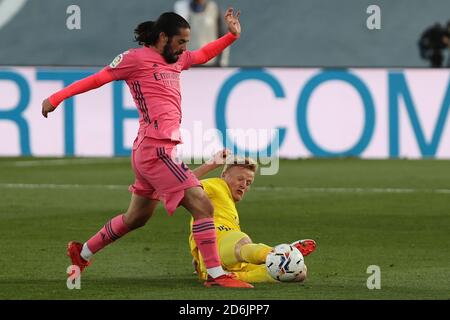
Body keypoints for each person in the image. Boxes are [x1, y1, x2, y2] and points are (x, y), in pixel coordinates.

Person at [41, 8, 253, 288]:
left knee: (136, 218)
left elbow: (202, 55)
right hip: (155, 152)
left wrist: (231, 36)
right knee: (203, 204)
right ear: (163, 37)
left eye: (186, 43)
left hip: (153, 151)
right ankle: (216, 274)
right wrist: (56, 97)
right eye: (180, 42)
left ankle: (82, 253)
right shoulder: (135, 59)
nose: (184, 49)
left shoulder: (176, 59)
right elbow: (97, 79)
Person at [189, 150, 317, 283]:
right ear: (224, 175)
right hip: (219, 240)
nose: (244, 185)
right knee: (242, 241)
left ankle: (233, 276)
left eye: (248, 183)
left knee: (299, 272)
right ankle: (277, 254)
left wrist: (198, 257)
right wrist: (210, 165)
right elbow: (180, 186)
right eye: (240, 179)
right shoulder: (216, 185)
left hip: (225, 261)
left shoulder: (226, 203)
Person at [174, 0, 229, 66]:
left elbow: (224, 36)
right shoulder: (180, 9)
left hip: (210, 63)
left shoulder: (214, 9)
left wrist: (222, 62)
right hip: (187, 62)